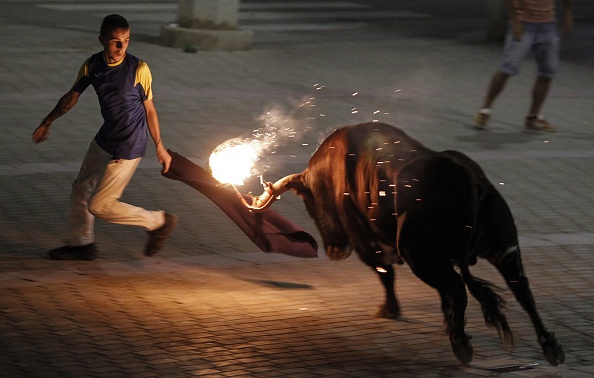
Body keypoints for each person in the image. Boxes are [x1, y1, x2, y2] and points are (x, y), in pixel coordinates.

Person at [32, 14, 178, 260]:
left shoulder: (139, 69)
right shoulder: (92, 65)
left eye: (126, 41)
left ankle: (158, 221)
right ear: (102, 40)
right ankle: (81, 245)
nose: (121, 47)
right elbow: (71, 97)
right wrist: (47, 122)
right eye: (115, 41)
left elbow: (150, 110)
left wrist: (160, 148)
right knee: (80, 188)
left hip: (128, 146)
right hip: (106, 136)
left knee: (99, 206)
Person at [474, 0, 573, 132]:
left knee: (547, 72)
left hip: (548, 24)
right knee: (508, 67)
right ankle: (485, 109)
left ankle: (533, 117)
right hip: (524, 23)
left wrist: (567, 13)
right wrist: (515, 21)